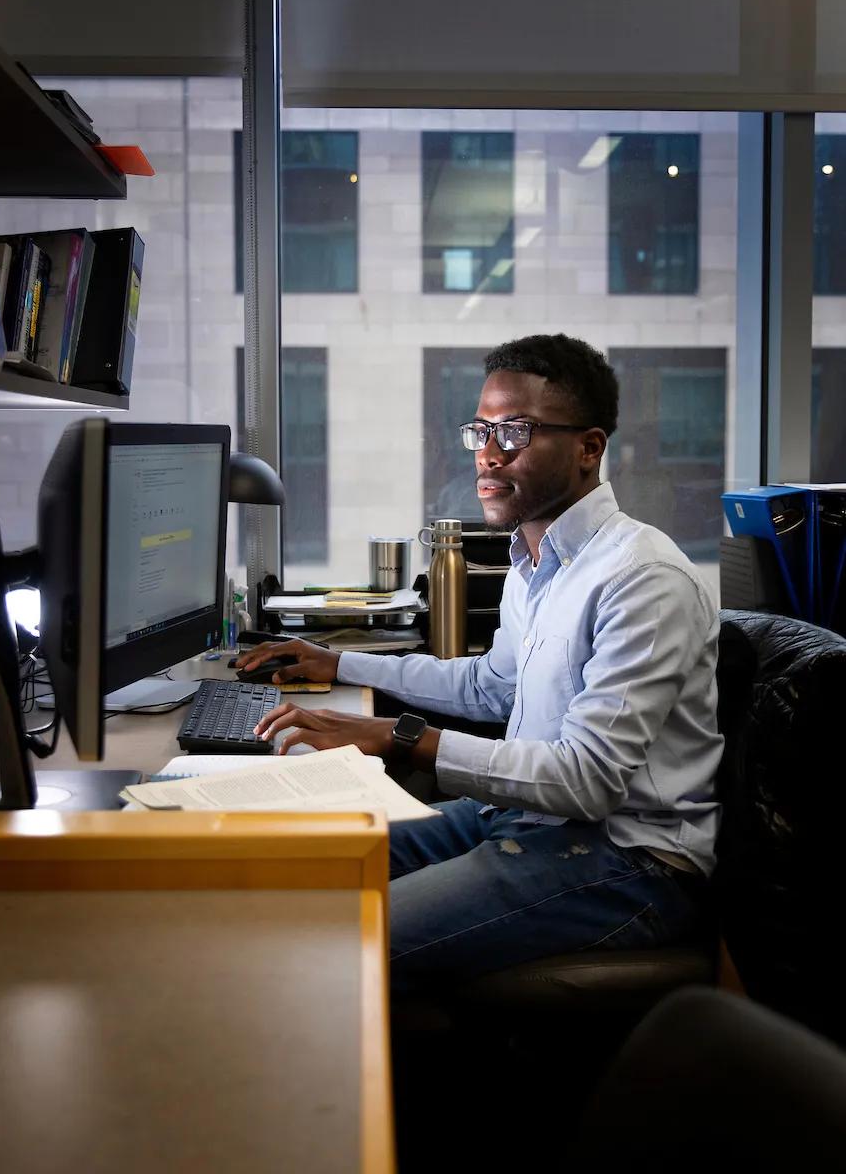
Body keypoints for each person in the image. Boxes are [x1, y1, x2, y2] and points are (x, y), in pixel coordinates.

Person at [238, 333, 723, 994]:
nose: (488, 456)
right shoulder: (536, 556)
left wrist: (398, 737)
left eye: (514, 432)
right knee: (304, 874)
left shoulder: (641, 577)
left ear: (588, 448)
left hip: (627, 863)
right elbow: (492, 685)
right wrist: (340, 663)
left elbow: (586, 782)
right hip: (524, 820)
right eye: (481, 431)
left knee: (335, 947)